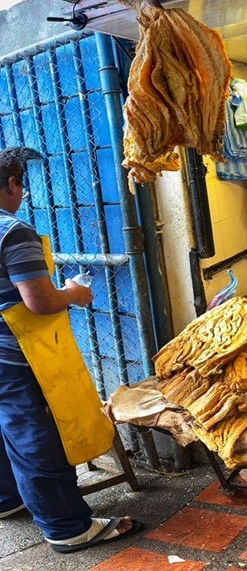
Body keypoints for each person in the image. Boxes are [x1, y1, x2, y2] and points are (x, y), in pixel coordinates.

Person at [0, 147, 141, 553]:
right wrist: (75, 293)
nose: (22, 193)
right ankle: (67, 527)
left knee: (6, 426)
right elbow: (40, 301)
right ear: (12, 183)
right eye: (21, 184)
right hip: (15, 356)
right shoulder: (13, 231)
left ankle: (7, 499)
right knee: (34, 436)